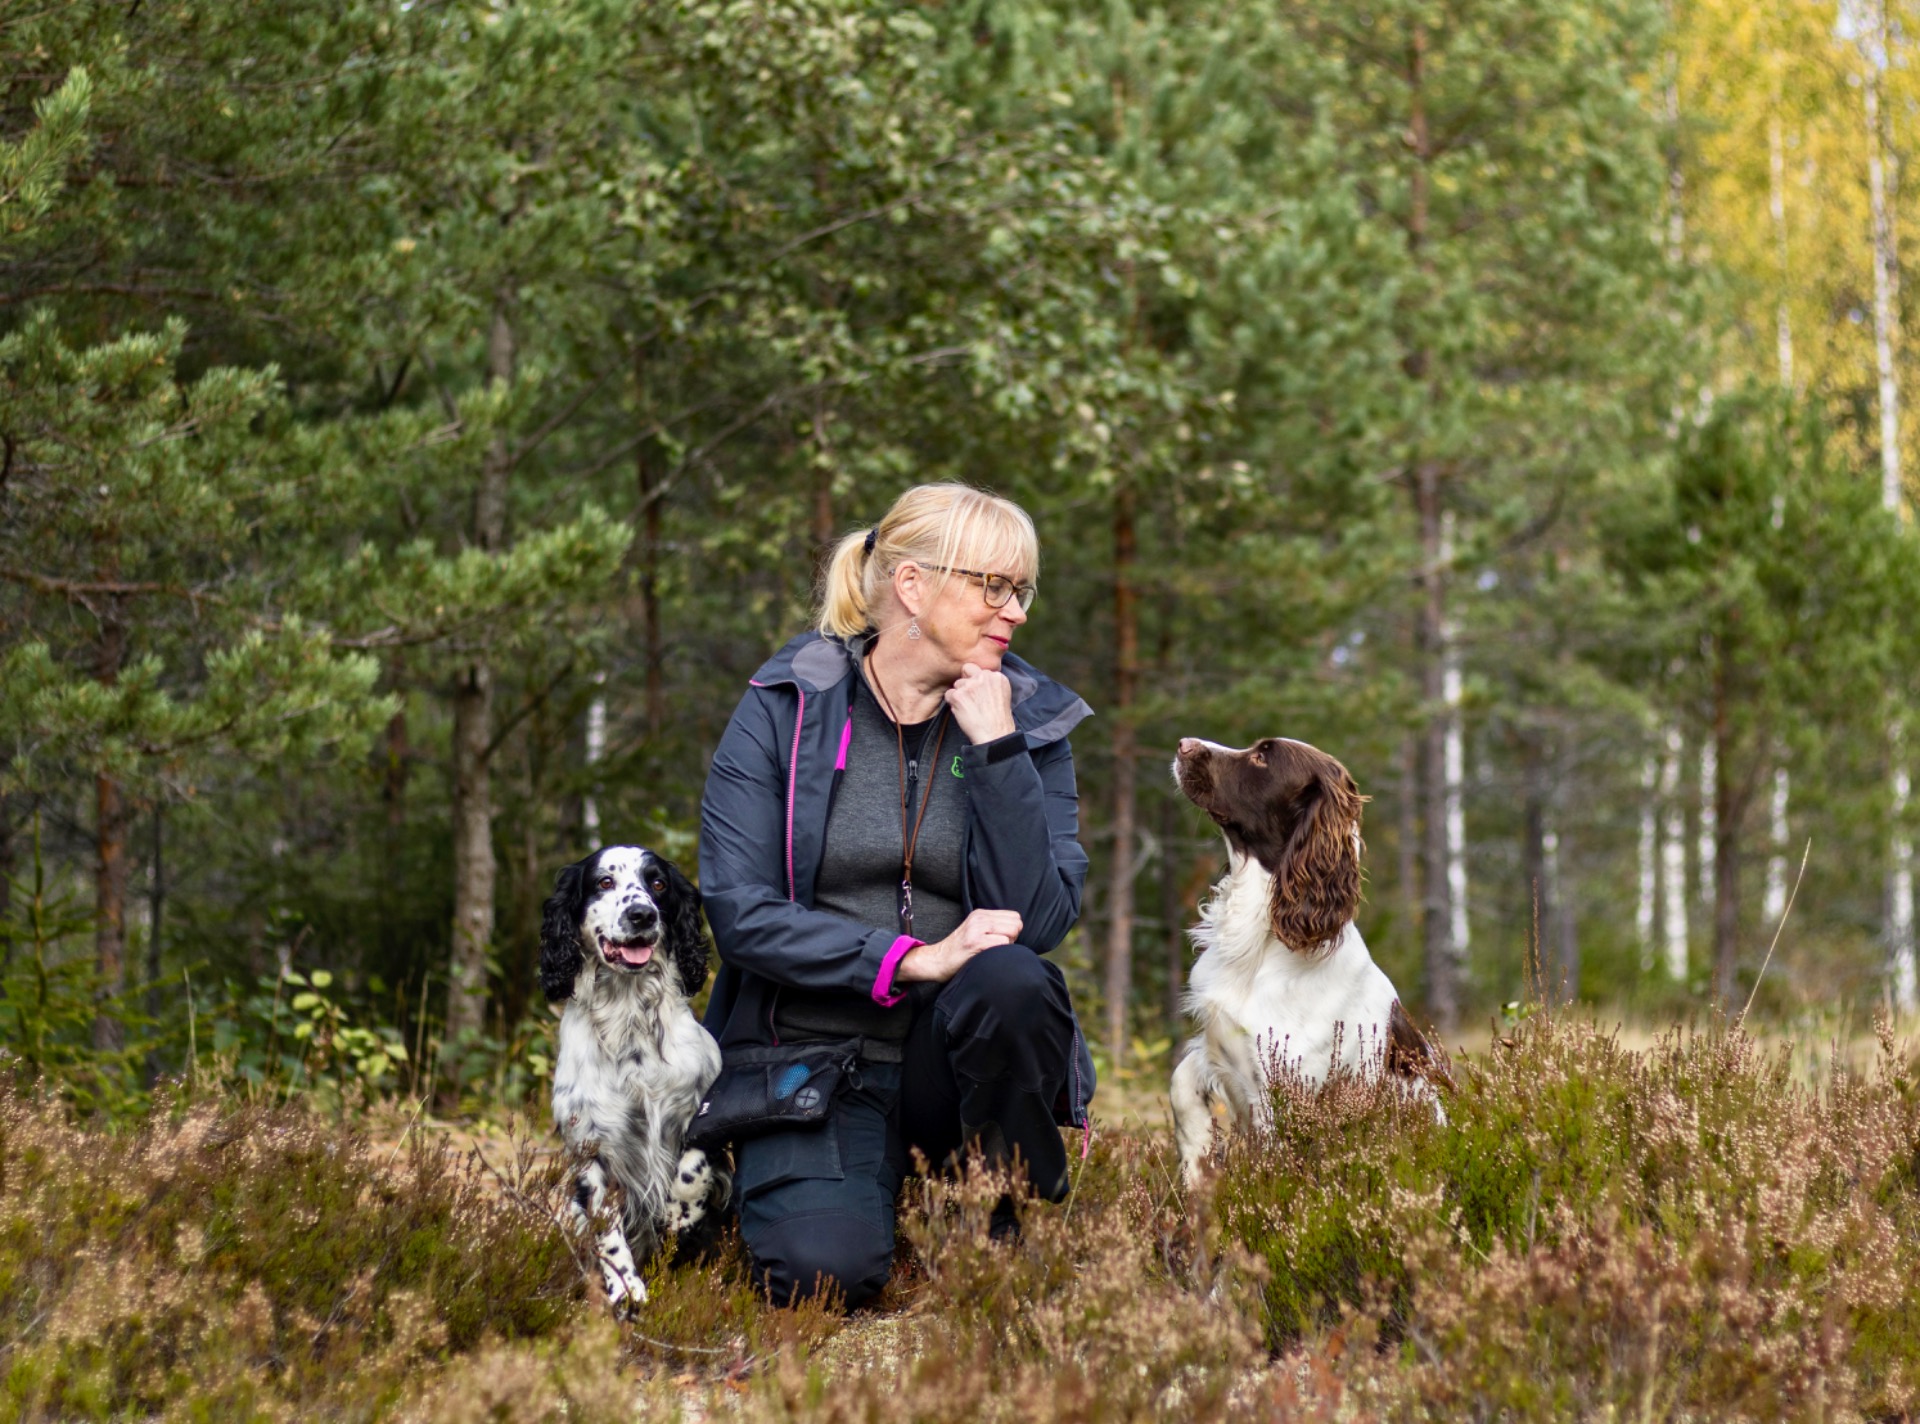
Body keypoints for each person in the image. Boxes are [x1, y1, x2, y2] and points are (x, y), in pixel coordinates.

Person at [698, 482, 1096, 1308]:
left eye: (1022, 589)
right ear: (912, 586)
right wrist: (911, 958)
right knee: (821, 1278)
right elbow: (740, 913)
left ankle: (1001, 1215)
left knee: (1013, 981)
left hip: (952, 1063)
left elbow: (1043, 918)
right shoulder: (784, 707)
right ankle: (831, 1190)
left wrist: (998, 752)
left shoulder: (1027, 721)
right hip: (809, 1062)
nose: (1016, 611)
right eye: (994, 586)